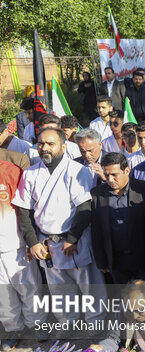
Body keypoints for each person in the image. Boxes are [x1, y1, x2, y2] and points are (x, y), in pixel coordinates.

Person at [12, 127, 106, 327]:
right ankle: (68, 324)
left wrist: (72, 238)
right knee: (59, 289)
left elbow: (85, 207)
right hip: (47, 242)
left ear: (63, 146)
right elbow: (25, 211)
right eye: (41, 143)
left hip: (76, 239)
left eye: (50, 144)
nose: (44, 148)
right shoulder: (30, 174)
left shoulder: (76, 170)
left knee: (89, 286)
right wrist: (32, 242)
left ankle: (95, 324)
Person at [90, 152, 145, 284]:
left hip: (144, 259)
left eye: (114, 175)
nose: (110, 180)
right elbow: (96, 230)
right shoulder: (97, 194)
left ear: (127, 170)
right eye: (106, 175)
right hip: (116, 261)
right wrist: (101, 261)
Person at [0, 157, 45, 350]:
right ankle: (12, 330)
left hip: (15, 243)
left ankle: (37, 324)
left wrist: (30, 240)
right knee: (3, 293)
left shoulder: (11, 171)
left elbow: (26, 208)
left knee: (29, 287)